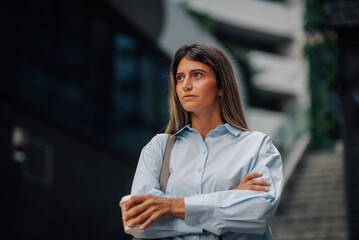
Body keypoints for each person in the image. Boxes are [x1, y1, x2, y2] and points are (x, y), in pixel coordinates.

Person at [122, 44, 283, 240]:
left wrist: (171, 207)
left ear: (221, 86)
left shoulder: (258, 146)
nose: (186, 85)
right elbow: (139, 223)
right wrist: (230, 200)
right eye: (180, 77)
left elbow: (257, 215)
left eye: (197, 75)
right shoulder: (158, 148)